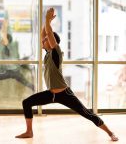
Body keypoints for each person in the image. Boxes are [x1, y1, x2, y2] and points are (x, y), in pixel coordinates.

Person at [15, 8, 119, 142]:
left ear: (53, 43)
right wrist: (46, 22)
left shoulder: (56, 53)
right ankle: (29, 132)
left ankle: (110, 133)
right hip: (51, 94)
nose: (43, 41)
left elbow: (49, 37)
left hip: (64, 93)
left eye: (46, 40)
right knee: (26, 103)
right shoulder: (47, 53)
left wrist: (48, 23)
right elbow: (43, 36)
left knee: (87, 114)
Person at [0, 18, 35, 102]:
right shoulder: (9, 46)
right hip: (13, 71)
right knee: (26, 82)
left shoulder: (9, 45)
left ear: (6, 40)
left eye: (3, 39)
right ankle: (36, 90)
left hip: (11, 71)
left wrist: (5, 25)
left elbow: (3, 34)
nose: (1, 40)